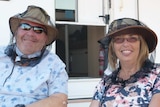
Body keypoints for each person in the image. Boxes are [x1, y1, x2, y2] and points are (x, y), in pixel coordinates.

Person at [0, 5, 68, 107]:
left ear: (46, 38)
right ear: (16, 32)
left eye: (38, 30)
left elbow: (60, 100)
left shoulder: (54, 64)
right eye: (25, 27)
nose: (30, 33)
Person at [89, 18, 160, 107]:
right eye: (118, 39)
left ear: (142, 44)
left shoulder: (157, 75)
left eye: (132, 38)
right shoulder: (105, 82)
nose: (125, 44)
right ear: (113, 47)